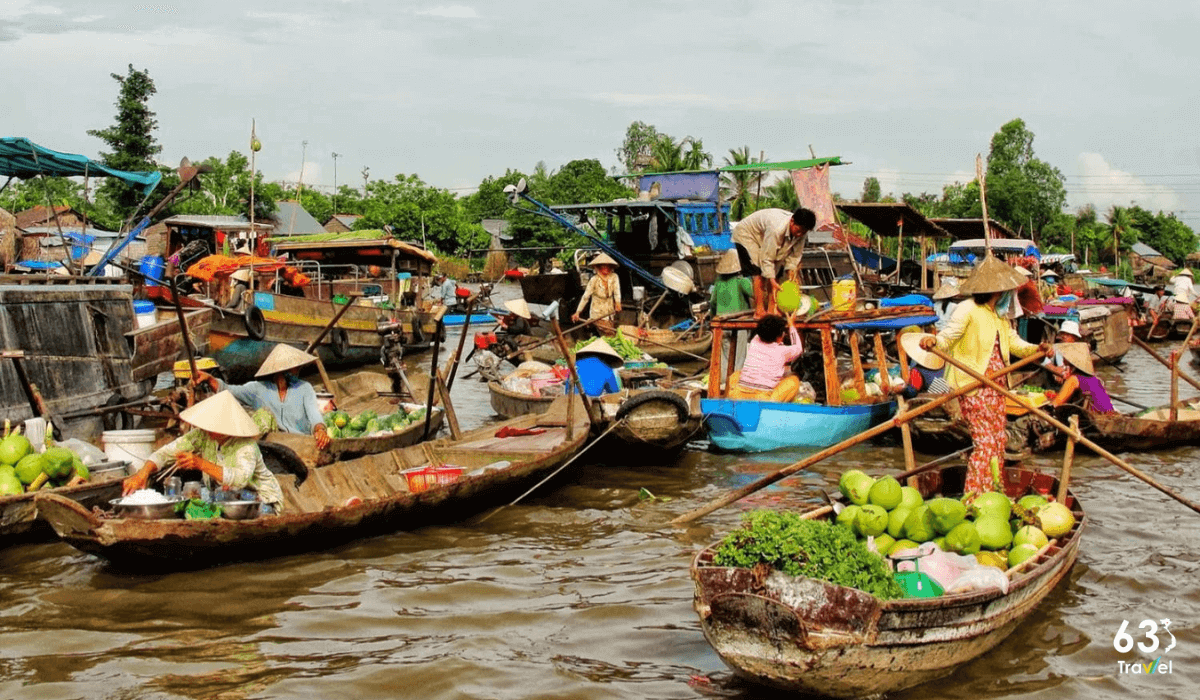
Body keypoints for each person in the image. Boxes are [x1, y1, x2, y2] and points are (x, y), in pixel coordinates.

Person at [920, 255, 1050, 494]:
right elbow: (948, 337)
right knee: (985, 444)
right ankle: (973, 497)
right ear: (996, 290)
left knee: (999, 441)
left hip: (996, 388)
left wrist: (1037, 349)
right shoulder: (967, 309)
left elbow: (1015, 344)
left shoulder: (999, 315)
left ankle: (992, 491)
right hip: (973, 385)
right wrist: (933, 341)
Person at [122, 391, 285, 513]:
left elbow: (238, 479)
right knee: (185, 502)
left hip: (259, 499)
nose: (207, 429)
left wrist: (200, 463)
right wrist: (143, 473)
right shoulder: (202, 435)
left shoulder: (247, 446)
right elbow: (166, 453)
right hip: (223, 495)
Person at [198, 344, 330, 450]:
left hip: (301, 443)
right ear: (281, 371)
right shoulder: (258, 389)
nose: (297, 370)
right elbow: (228, 390)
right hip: (273, 444)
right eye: (294, 368)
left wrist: (320, 430)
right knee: (263, 415)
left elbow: (314, 415)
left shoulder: (304, 388)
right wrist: (210, 379)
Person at [730, 207, 817, 316]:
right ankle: (759, 310)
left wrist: (791, 275)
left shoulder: (802, 233)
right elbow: (767, 258)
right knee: (758, 272)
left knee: (777, 273)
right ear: (792, 221)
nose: (799, 235)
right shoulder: (776, 228)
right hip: (747, 235)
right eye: (798, 231)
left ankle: (772, 309)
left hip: (764, 237)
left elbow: (795, 256)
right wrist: (770, 278)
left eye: (803, 232)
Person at [727, 313, 804, 402]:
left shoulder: (754, 341)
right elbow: (799, 348)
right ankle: (770, 404)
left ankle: (728, 400)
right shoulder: (783, 351)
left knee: (736, 374)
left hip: (738, 395)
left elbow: (764, 329)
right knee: (794, 381)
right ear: (779, 337)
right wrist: (791, 325)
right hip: (763, 398)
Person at [710, 248, 754, 380]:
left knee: (724, 357)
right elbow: (754, 294)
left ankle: (723, 383)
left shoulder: (718, 282)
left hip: (721, 325)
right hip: (738, 324)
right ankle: (736, 382)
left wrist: (712, 320)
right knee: (739, 357)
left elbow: (712, 302)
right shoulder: (741, 280)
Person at [1050, 342, 1115, 413]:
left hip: (1096, 417)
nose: (1063, 358)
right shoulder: (1094, 379)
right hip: (1108, 412)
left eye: (1065, 357)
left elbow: (1055, 404)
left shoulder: (1073, 380)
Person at [571, 253, 622, 334]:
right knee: (607, 333)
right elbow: (585, 297)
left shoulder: (614, 277)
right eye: (603, 266)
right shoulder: (594, 280)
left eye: (607, 266)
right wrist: (578, 312)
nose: (606, 268)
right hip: (597, 312)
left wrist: (618, 302)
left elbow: (617, 291)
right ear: (598, 267)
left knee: (610, 331)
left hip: (610, 311)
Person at [899, 329, 949, 399]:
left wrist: (900, 389)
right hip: (951, 395)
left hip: (937, 401)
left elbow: (912, 392)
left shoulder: (918, 371)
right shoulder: (945, 363)